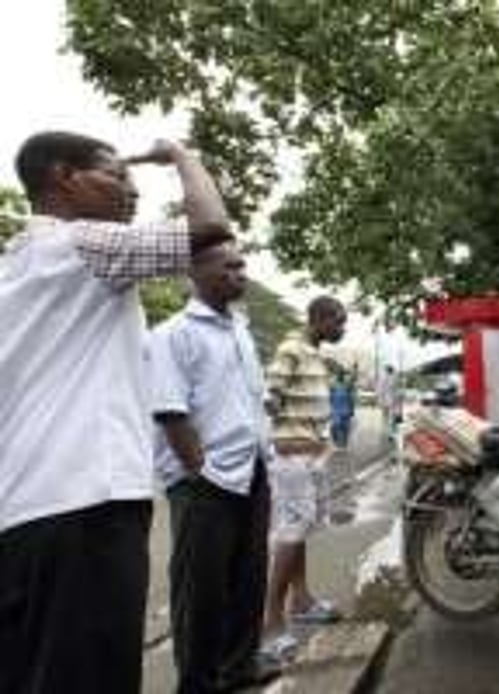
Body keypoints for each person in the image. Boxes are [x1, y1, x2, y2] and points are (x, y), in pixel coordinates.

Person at [0, 132, 232, 694]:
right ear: (64, 177)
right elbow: (210, 228)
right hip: (89, 503)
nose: (132, 191)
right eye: (117, 175)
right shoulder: (83, 244)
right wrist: (183, 157)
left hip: (25, 513)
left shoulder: (17, 266)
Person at [148, 242, 280, 693]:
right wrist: (199, 472)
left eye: (243, 265)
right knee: (200, 591)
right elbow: (169, 411)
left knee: (249, 577)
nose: (241, 273)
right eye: (230, 266)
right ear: (195, 272)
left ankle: (240, 666)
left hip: (251, 470)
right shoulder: (172, 334)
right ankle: (197, 683)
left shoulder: (239, 330)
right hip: (204, 481)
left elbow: (250, 398)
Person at [262, 296, 347, 659]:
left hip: (312, 455)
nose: (342, 328)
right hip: (293, 457)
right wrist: (285, 440)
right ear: (320, 319)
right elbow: (268, 401)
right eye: (339, 322)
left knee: (302, 532)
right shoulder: (291, 349)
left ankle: (302, 601)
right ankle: (270, 622)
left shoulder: (315, 355)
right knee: (290, 534)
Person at [329, 368, 356, 450]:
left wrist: (352, 409)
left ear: (343, 376)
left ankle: (344, 443)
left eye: (341, 374)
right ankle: (336, 441)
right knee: (335, 426)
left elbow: (351, 398)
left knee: (345, 427)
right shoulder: (333, 385)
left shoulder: (347, 386)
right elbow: (330, 398)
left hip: (345, 409)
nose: (339, 376)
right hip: (336, 409)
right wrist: (330, 408)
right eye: (338, 374)